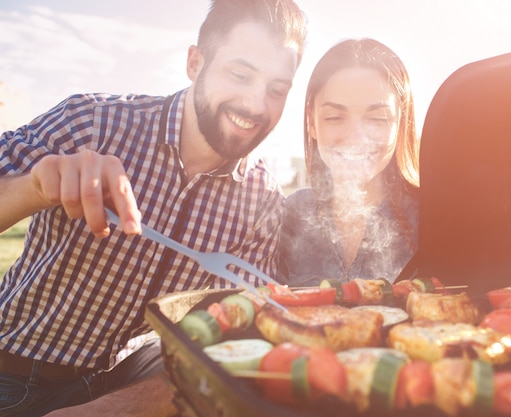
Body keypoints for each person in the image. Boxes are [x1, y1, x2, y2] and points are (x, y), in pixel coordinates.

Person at [0, 0, 307, 415]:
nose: (256, 104)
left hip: (126, 380)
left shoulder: (264, 201)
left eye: (276, 89)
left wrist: (112, 409)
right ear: (195, 63)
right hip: (11, 368)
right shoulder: (93, 121)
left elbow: (233, 338)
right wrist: (34, 188)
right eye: (240, 74)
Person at [277, 38, 420, 286]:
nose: (356, 138)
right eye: (334, 117)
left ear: (401, 123)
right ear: (312, 122)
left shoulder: (430, 219)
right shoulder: (291, 214)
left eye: (378, 118)